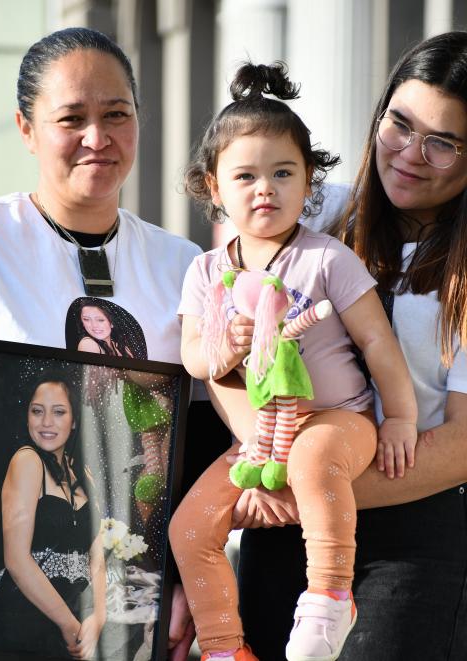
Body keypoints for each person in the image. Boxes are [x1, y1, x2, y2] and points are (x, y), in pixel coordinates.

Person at [0, 26, 231, 660]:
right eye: (72, 118)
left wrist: (185, 583)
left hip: (135, 592)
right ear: (26, 129)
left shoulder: (183, 263)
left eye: (117, 114)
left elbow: (202, 435)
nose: (98, 137)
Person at [217, 31, 467, 661]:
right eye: (400, 124)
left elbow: (465, 442)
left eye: (443, 143)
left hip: (412, 531)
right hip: (286, 524)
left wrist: (311, 489)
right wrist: (271, 465)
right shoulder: (315, 209)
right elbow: (226, 353)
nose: (410, 154)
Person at [170, 62, 418, 661]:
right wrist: (227, 342)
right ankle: (226, 646)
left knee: (312, 458)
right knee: (189, 527)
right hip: (257, 440)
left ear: (310, 181)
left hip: (337, 421)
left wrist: (402, 419)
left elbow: (379, 343)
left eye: (284, 173)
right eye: (246, 175)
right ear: (213, 186)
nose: (266, 189)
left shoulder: (327, 258)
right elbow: (195, 359)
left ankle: (331, 595)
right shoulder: (207, 271)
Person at [0, 375, 104, 659]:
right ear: (27, 417)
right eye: (37, 411)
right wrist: (69, 624)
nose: (46, 421)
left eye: (58, 411)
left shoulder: (82, 473)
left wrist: (98, 617)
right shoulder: (27, 460)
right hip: (27, 621)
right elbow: (16, 560)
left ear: (74, 420)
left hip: (77, 616)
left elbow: (97, 555)